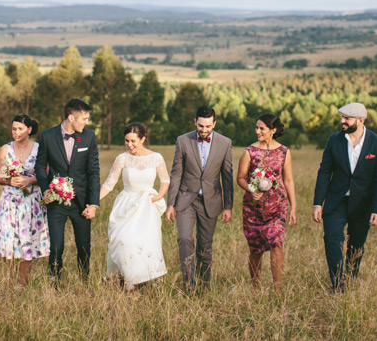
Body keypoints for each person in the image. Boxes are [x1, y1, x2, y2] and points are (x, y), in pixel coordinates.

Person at [313, 102, 377, 292]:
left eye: (347, 118)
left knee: (356, 246)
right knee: (331, 238)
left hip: (363, 204)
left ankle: (351, 279)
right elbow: (324, 172)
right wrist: (317, 203)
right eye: (342, 117)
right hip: (336, 201)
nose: (342, 121)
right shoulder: (334, 140)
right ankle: (338, 285)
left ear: (361, 120)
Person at [166, 106, 234, 293]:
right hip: (186, 199)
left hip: (210, 201)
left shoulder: (225, 143)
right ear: (195, 122)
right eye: (201, 126)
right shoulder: (183, 141)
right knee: (184, 238)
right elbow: (176, 174)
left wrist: (228, 206)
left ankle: (204, 287)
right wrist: (170, 204)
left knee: (205, 245)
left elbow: (227, 177)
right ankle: (189, 284)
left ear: (214, 123)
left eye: (208, 126)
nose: (204, 130)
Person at [35, 98, 100, 282]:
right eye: (84, 118)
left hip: (82, 202)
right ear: (71, 117)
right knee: (56, 246)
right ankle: (55, 281)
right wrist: (45, 189)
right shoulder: (48, 136)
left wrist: (93, 203)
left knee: (84, 246)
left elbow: (94, 171)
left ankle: (84, 281)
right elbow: (40, 167)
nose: (86, 123)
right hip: (56, 200)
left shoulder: (89, 137)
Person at [99, 123, 169, 290]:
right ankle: (129, 282)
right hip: (127, 204)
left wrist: (159, 196)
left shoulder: (156, 157)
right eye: (126, 141)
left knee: (145, 243)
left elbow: (165, 180)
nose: (129, 145)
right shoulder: (122, 158)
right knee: (125, 240)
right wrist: (95, 200)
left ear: (143, 139)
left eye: (133, 141)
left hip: (147, 205)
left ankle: (143, 277)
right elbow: (109, 184)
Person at [0, 114, 50, 290]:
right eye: (14, 129)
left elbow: (45, 174)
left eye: (20, 129)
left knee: (27, 240)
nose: (16, 132)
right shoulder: (5, 149)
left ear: (29, 130)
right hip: (9, 201)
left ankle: (23, 283)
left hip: (31, 201)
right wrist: (9, 181)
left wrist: (30, 180)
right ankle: (10, 279)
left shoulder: (39, 148)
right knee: (10, 239)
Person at [236, 114, 297, 290]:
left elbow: (289, 180)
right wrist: (251, 189)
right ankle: (255, 286)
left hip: (278, 207)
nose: (257, 131)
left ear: (273, 130)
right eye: (257, 128)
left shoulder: (284, 152)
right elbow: (240, 178)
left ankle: (277, 289)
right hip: (253, 209)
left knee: (276, 243)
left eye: (262, 128)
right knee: (256, 250)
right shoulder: (250, 152)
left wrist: (294, 208)